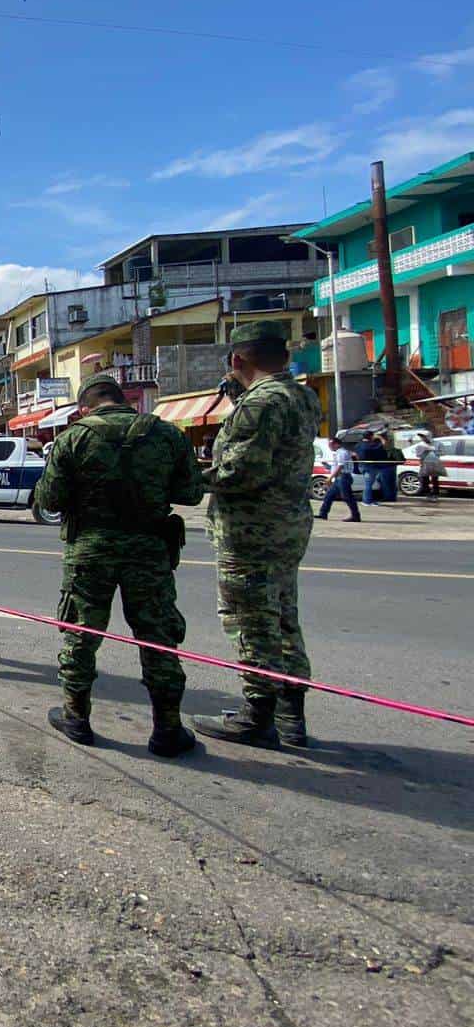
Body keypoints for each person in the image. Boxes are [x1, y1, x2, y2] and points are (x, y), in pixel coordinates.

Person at [32, 374, 204, 755]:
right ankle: (167, 729)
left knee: (82, 634)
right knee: (158, 636)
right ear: (124, 400)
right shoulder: (167, 434)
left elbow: (50, 499)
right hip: (149, 549)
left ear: (84, 407)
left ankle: (76, 717)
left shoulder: (73, 437)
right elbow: (192, 493)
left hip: (90, 550)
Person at [193, 321, 321, 749]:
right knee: (283, 615)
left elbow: (240, 471)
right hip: (287, 524)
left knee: (250, 619)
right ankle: (291, 715)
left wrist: (190, 480)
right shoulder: (302, 396)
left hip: (250, 531)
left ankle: (257, 713)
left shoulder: (260, 404)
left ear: (237, 360)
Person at [316, 437, 360, 522]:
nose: (330, 446)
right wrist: (327, 466)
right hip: (339, 478)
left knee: (347, 497)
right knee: (329, 496)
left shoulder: (342, 453)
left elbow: (340, 466)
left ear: (337, 444)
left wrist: (330, 478)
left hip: (343, 477)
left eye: (331, 444)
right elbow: (335, 467)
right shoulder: (338, 453)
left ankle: (355, 515)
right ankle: (323, 514)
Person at [356, 432, 385, 505]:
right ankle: (367, 501)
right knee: (368, 484)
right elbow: (384, 444)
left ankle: (369, 500)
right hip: (370, 467)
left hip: (361, 465)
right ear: (370, 437)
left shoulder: (359, 444)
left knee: (368, 483)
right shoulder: (371, 445)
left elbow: (356, 455)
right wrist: (380, 437)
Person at [415, 434, 445, 499]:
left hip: (434, 463)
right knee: (425, 479)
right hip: (424, 463)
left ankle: (435, 494)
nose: (423, 439)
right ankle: (427, 494)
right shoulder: (420, 445)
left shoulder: (438, 443)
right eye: (422, 437)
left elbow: (442, 452)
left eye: (424, 437)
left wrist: (433, 451)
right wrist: (423, 452)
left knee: (435, 479)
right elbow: (417, 454)